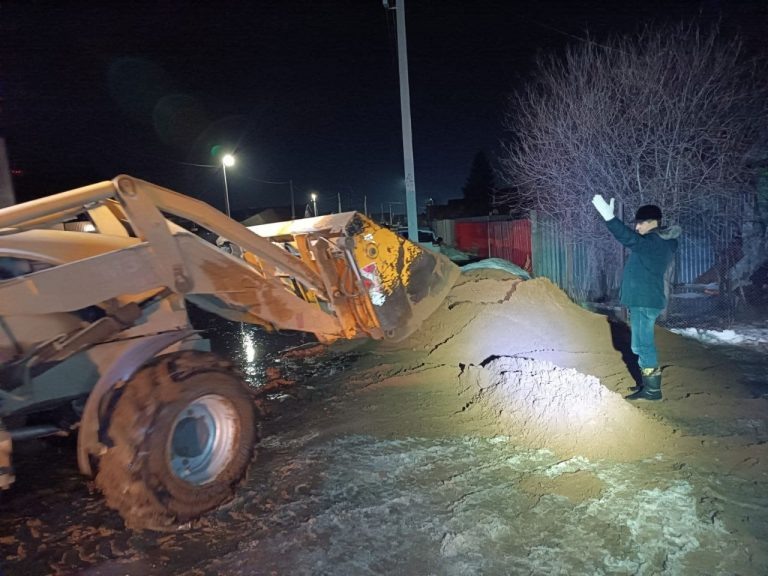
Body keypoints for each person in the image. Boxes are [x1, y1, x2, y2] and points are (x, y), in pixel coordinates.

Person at [591, 195, 682, 400]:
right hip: (644, 300)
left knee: (642, 345)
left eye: (640, 223)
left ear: (652, 222)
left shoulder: (654, 242)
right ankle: (646, 384)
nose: (637, 227)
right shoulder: (658, 242)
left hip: (644, 302)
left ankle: (652, 390)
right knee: (641, 344)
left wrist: (609, 217)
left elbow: (628, 238)